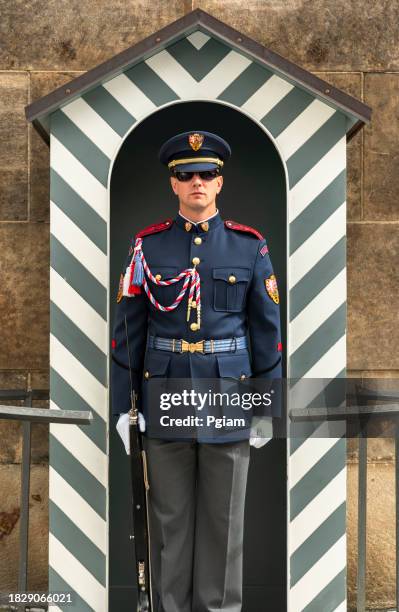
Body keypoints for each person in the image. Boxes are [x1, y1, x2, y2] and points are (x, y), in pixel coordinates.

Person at [111, 130, 282, 612]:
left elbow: (267, 332)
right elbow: (128, 333)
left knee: (224, 526)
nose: (197, 182)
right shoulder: (148, 247)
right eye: (186, 175)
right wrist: (124, 408)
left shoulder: (250, 248)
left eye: (206, 174)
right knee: (170, 524)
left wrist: (267, 405)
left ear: (220, 182)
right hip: (164, 395)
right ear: (173, 183)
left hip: (229, 394)